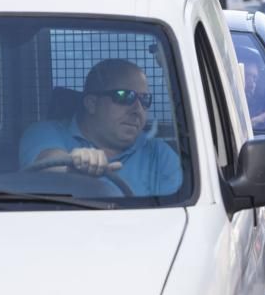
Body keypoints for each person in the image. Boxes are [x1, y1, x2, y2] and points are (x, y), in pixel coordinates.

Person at [19, 58, 182, 196]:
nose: (138, 110)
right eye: (124, 96)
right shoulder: (45, 132)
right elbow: (48, 163)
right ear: (91, 104)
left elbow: (177, 213)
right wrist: (73, 165)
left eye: (145, 99)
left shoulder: (158, 154)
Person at [236, 46, 265, 130]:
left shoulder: (260, 104)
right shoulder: (227, 101)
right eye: (247, 75)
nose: (251, 84)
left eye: (254, 78)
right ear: (237, 73)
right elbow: (243, 128)